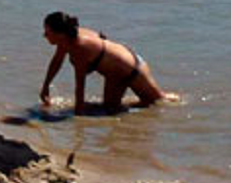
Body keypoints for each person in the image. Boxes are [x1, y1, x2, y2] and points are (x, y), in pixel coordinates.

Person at [39, 11, 169, 112]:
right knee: (152, 102)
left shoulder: (79, 48)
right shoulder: (68, 38)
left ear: (60, 34)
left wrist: (78, 122)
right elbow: (56, 62)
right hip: (127, 62)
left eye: (47, 32)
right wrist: (45, 86)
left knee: (160, 103)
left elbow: (80, 87)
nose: (44, 36)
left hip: (129, 70)